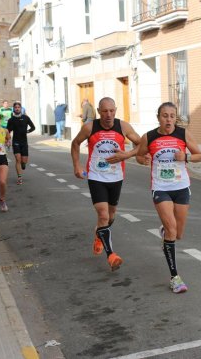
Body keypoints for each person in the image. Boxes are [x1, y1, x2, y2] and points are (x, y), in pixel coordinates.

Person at [136, 102, 201, 294]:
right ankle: (175, 277)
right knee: (172, 230)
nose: (168, 119)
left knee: (178, 234)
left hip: (181, 187)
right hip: (160, 188)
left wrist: (186, 157)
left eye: (172, 116)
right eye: (165, 115)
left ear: (176, 118)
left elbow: (200, 155)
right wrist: (144, 160)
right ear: (158, 117)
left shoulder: (183, 134)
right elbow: (139, 156)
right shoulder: (149, 137)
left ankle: (165, 233)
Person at [71, 97, 141, 271]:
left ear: (115, 110)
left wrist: (128, 154)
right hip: (96, 176)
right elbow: (75, 143)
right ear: (99, 111)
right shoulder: (89, 127)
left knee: (110, 216)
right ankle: (111, 255)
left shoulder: (123, 127)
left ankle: (99, 234)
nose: (108, 115)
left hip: (116, 177)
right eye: (104, 111)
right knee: (103, 215)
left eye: (111, 111)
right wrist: (77, 166)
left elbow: (141, 144)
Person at [7, 102, 36, 185]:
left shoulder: (26, 118)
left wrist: (27, 131)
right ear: (13, 109)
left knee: (24, 160)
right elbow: (7, 131)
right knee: (18, 159)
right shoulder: (11, 120)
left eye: (18, 107)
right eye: (15, 107)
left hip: (24, 142)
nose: (17, 108)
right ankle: (19, 177)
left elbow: (33, 127)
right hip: (15, 141)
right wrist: (7, 140)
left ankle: (24, 164)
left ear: (20, 108)